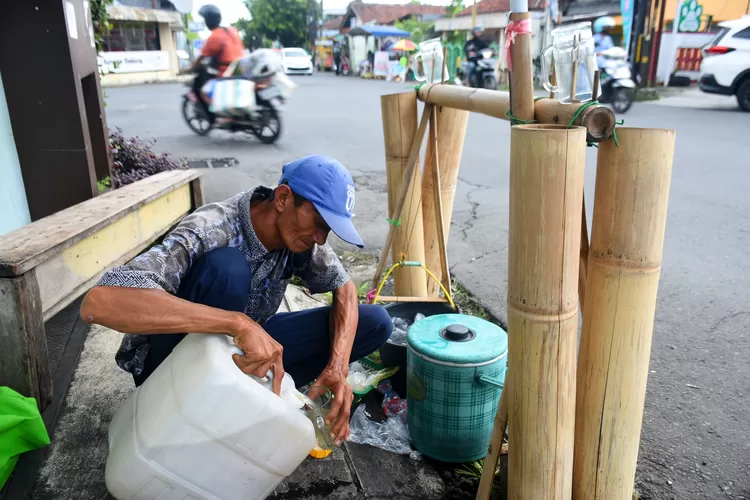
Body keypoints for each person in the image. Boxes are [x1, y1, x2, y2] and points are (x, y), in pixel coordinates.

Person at [80, 155, 393, 446]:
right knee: (227, 270)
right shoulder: (211, 228)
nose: (321, 238)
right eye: (319, 223)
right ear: (283, 198)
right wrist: (235, 323)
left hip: (237, 356)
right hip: (169, 366)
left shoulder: (300, 238)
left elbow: (345, 289)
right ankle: (199, 410)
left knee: (375, 323)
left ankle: (244, 399)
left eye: (328, 229)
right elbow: (99, 303)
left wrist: (337, 368)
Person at [190, 4, 245, 120]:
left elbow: (201, 58)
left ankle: (220, 116)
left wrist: (190, 68)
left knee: (204, 92)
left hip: (227, 74)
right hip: (241, 69)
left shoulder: (214, 37)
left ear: (208, 21)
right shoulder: (232, 30)